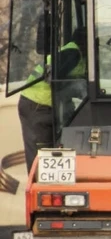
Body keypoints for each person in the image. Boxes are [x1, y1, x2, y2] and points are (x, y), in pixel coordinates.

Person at [18, 28, 87, 170]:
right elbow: (55, 79)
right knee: (41, 152)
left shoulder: (71, 53)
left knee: (48, 149)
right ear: (85, 43)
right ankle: (39, 186)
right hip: (37, 105)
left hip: (43, 104)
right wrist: (78, 88)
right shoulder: (72, 54)